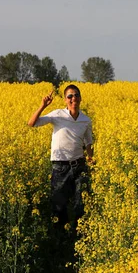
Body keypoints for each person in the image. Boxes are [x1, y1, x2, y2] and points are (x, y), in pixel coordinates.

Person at [28, 84, 94, 231]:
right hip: (60, 166)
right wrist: (43, 106)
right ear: (65, 100)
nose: (73, 98)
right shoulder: (57, 115)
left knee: (81, 202)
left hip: (79, 165)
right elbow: (31, 123)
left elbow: (88, 142)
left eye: (76, 95)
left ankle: (79, 234)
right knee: (59, 203)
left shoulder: (86, 120)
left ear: (80, 98)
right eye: (70, 96)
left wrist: (91, 159)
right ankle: (60, 236)